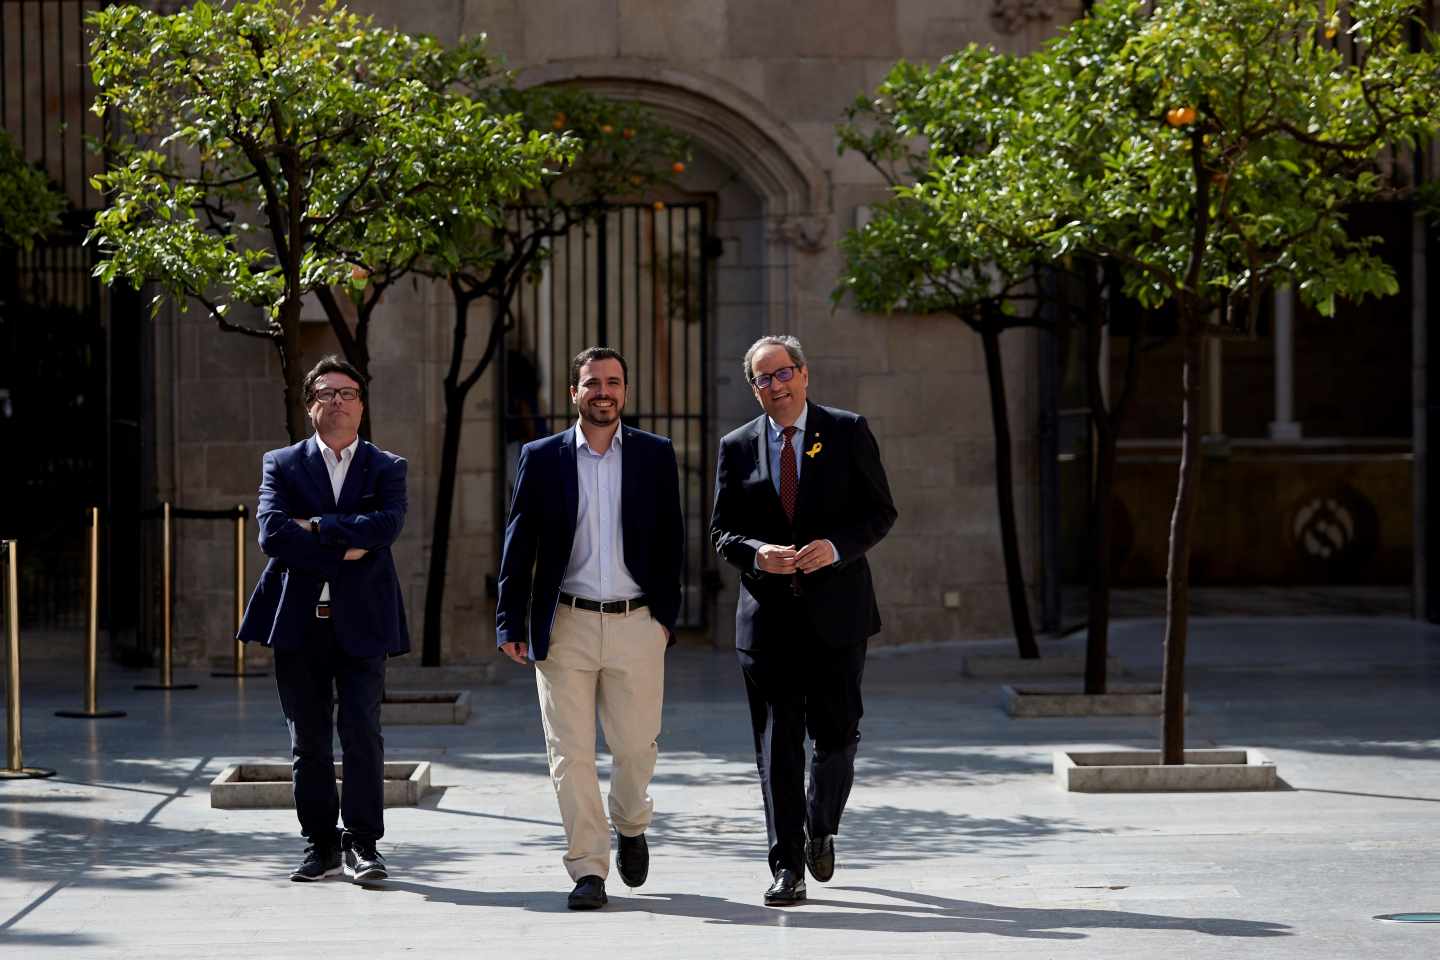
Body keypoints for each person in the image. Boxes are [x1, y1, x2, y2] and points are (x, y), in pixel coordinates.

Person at [710, 334, 897, 906]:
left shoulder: (846, 431)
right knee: (777, 747)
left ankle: (821, 827)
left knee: (836, 738)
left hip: (838, 617)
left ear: (804, 374)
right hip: (767, 623)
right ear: (754, 389)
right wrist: (755, 553)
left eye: (783, 373)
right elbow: (722, 532)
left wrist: (837, 547)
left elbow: (879, 512)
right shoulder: (737, 446)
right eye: (763, 379)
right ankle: (786, 865)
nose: (775, 386)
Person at [496, 346, 683, 910]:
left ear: (625, 391)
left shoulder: (655, 454)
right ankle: (588, 869)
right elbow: (519, 541)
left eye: (614, 382)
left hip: (636, 621)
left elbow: (673, 538)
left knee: (635, 747)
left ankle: (630, 823)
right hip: (565, 623)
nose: (604, 391)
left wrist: (666, 620)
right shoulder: (543, 456)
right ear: (574, 392)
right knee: (569, 751)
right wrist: (511, 617)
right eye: (592, 383)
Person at [237, 355, 409, 884]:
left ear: (362, 405)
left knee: (362, 733)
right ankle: (320, 843)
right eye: (327, 393)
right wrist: (345, 543)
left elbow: (387, 525)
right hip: (298, 621)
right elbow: (272, 533)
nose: (338, 401)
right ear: (310, 405)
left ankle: (362, 844)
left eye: (348, 393)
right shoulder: (282, 464)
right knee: (307, 740)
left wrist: (315, 529)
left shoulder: (386, 467)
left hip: (363, 621)